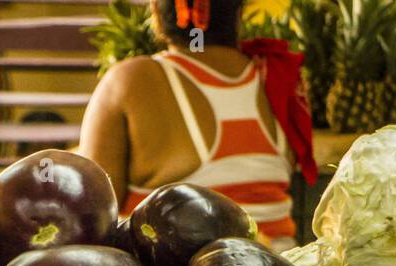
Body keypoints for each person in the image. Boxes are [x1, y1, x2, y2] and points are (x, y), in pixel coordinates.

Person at [79, 0, 315, 250]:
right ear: (239, 15)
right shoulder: (277, 78)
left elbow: (90, 220)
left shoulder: (129, 80)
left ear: (157, 14)